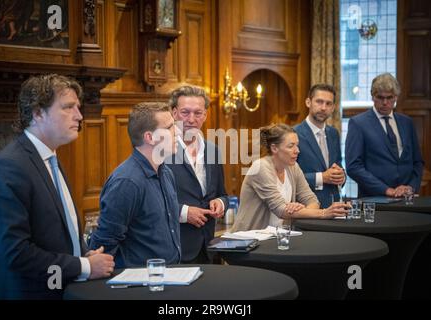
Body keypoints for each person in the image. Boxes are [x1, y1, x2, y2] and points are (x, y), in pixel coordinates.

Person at [0, 74, 114, 300]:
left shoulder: (50, 158)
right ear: (37, 113)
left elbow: (54, 231)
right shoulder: (10, 167)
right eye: (68, 107)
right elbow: (15, 253)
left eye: (78, 107)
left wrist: (81, 254)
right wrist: (83, 266)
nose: (79, 116)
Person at [89, 102, 181, 268]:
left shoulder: (166, 173)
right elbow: (104, 244)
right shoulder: (126, 182)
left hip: (169, 277)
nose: (178, 132)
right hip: (139, 285)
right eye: (170, 127)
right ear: (150, 137)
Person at [231, 124, 348, 232]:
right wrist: (324, 213)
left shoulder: (293, 167)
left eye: (297, 145)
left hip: (278, 237)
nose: (297, 150)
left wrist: (297, 207)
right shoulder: (260, 167)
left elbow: (312, 200)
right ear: (274, 148)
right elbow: (281, 210)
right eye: (291, 146)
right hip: (248, 240)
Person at [165, 86, 229, 263]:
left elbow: (223, 194)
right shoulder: (161, 151)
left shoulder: (213, 151)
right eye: (185, 112)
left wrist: (221, 203)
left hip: (209, 247)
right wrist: (184, 213)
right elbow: (151, 202)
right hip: (176, 249)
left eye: (197, 113)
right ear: (174, 113)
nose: (191, 119)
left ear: (205, 116)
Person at [345, 73, 424, 198]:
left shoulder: (406, 122)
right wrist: (386, 190)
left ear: (396, 97)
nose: (385, 102)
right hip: (374, 200)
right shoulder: (358, 123)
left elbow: (417, 162)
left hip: (406, 198)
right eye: (380, 97)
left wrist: (410, 187)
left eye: (390, 97)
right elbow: (353, 166)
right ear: (372, 96)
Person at [294, 84, 346, 208]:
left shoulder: (334, 133)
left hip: (334, 205)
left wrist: (341, 176)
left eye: (328, 104)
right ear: (308, 102)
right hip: (306, 207)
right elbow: (288, 177)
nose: (323, 108)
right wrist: (321, 178)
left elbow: (338, 166)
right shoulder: (294, 134)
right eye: (319, 102)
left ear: (333, 107)